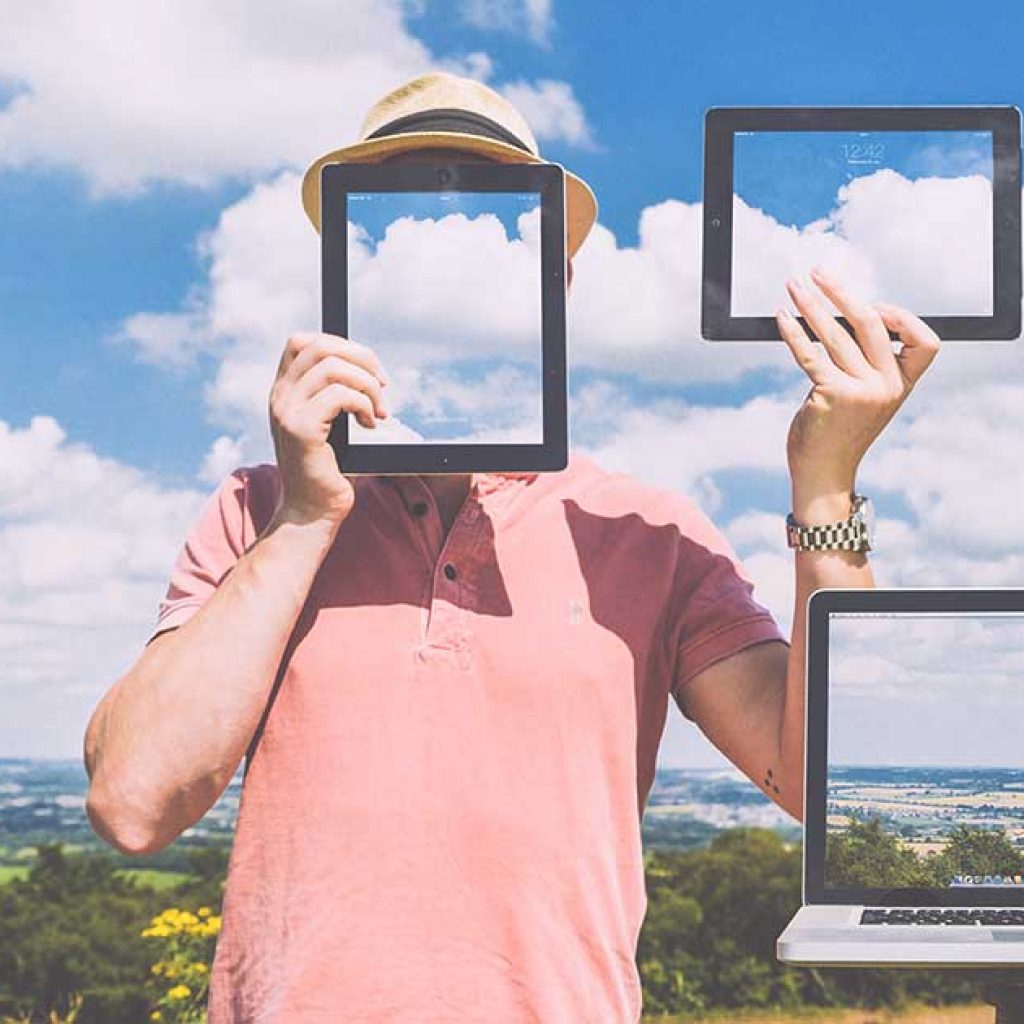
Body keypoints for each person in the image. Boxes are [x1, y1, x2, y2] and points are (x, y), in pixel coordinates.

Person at [83, 72, 940, 1023]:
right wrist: (304, 518)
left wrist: (824, 485)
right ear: (345, 275)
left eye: (495, 229)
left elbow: (830, 796)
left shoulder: (648, 533)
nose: (445, 260)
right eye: (393, 227)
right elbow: (134, 802)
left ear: (557, 281)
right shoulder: (257, 507)